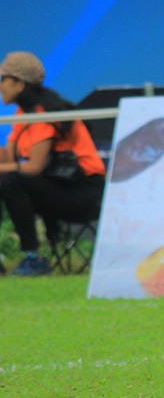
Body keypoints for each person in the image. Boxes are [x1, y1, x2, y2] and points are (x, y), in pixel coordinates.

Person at [0, 51, 107, 276]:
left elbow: (33, 167)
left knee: (11, 180)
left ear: (19, 84)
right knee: (7, 179)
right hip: (57, 186)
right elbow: (9, 159)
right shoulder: (22, 113)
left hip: (84, 192)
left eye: (3, 79)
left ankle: (33, 258)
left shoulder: (42, 114)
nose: (0, 86)